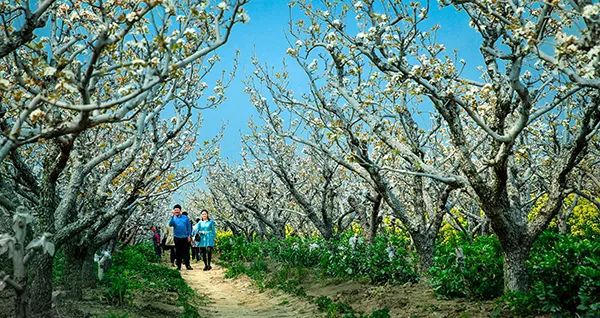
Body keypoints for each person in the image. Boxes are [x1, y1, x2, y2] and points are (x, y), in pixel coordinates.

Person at [169, 204, 193, 270]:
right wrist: (172, 216)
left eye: (177, 210)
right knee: (178, 252)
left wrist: (189, 236)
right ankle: (179, 266)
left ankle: (188, 265)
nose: (176, 211)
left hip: (185, 237)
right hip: (177, 237)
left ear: (180, 210)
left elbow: (189, 227)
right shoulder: (173, 218)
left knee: (186, 252)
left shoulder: (185, 217)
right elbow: (170, 224)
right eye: (175, 210)